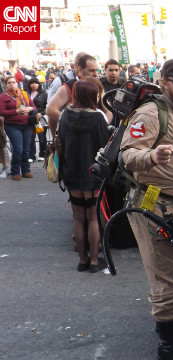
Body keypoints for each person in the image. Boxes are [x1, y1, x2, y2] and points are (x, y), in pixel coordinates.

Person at [119, 58, 173, 360]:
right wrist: (151, 157)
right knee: (166, 276)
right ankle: (168, 346)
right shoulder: (151, 113)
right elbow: (127, 153)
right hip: (156, 203)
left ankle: (170, 326)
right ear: (165, 82)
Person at [58, 78, 110, 272]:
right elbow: (106, 144)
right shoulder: (99, 117)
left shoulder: (65, 115)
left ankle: (82, 259)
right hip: (93, 174)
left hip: (71, 172)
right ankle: (95, 260)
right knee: (93, 218)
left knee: (78, 217)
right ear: (93, 95)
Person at [46, 53, 102, 137]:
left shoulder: (97, 84)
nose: (95, 74)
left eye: (96, 70)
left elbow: (107, 110)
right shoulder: (67, 84)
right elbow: (50, 110)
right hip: (73, 137)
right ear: (80, 68)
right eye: (91, 70)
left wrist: (102, 126)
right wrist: (73, 123)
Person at [0, 76, 35, 180]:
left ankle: (26, 170)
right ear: (6, 85)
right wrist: (16, 111)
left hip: (27, 125)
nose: (12, 84)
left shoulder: (23, 94)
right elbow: (1, 112)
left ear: (17, 83)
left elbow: (34, 106)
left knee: (26, 149)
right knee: (18, 149)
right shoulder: (3, 97)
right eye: (9, 82)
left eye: (14, 82)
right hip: (12, 125)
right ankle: (15, 171)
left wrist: (30, 109)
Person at [26, 78, 48, 162]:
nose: (34, 85)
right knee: (31, 138)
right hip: (30, 118)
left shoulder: (44, 94)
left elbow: (47, 105)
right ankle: (31, 155)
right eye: (32, 83)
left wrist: (41, 113)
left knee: (42, 137)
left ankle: (42, 154)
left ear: (39, 84)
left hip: (40, 118)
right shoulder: (26, 93)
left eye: (35, 83)